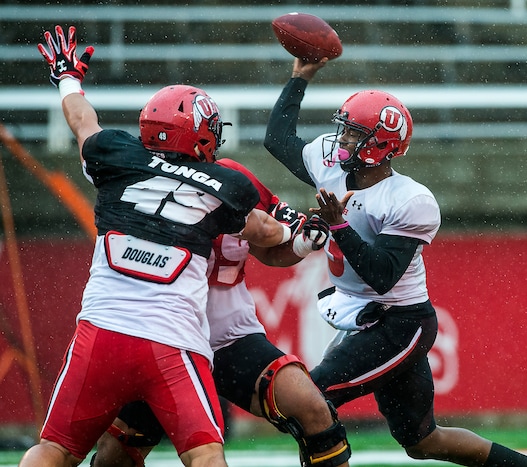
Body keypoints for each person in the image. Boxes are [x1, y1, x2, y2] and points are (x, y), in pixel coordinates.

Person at [262, 56, 527, 467]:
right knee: (423, 440)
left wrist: (338, 227)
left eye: (354, 135)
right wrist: (300, 77)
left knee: (310, 401)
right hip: (366, 316)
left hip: (401, 323)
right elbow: (277, 138)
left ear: (380, 146)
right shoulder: (331, 162)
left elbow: (382, 276)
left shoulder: (409, 200)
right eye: (345, 131)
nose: (342, 142)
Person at [22, 25, 295, 467]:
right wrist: (296, 232)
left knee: (54, 449)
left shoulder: (116, 161)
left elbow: (82, 121)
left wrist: (68, 78)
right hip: (170, 343)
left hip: (100, 334)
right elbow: (262, 230)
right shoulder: (222, 184)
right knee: (205, 455)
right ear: (203, 135)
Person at [90, 159, 351, 467]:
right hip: (166, 336)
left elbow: (269, 245)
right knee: (115, 457)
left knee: (313, 410)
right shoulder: (144, 180)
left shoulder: (233, 177)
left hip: (230, 335)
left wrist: (301, 245)